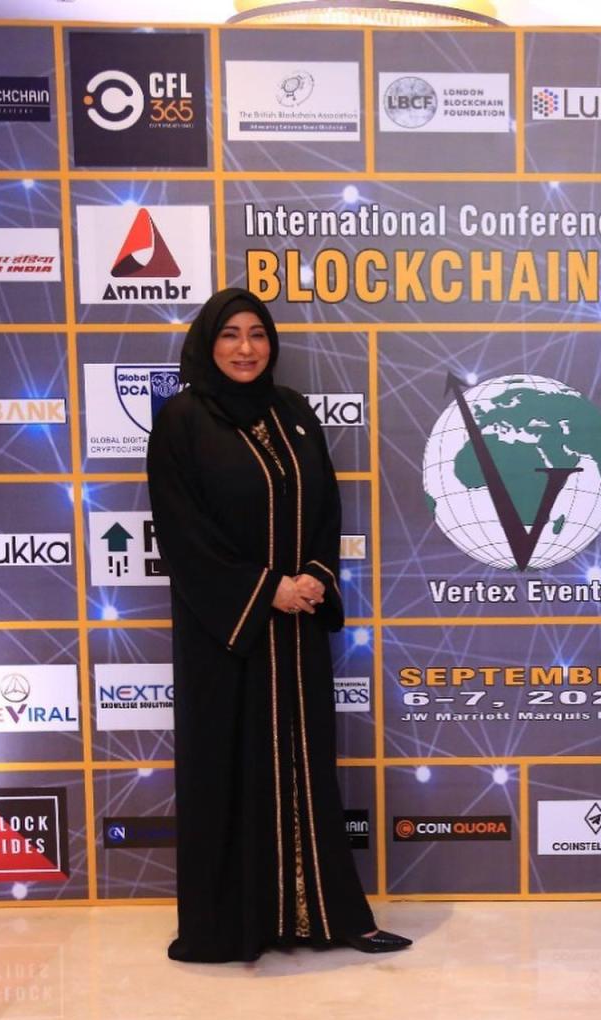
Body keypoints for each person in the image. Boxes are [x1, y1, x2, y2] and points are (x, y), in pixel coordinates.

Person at [147, 287, 410, 962]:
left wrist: (316, 575)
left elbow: (326, 505)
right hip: (226, 637)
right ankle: (233, 927)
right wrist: (268, 589)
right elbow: (183, 534)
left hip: (296, 634)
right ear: (208, 344)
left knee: (305, 769)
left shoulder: (292, 411)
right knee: (230, 771)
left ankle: (327, 914)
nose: (246, 348)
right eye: (230, 334)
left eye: (257, 334)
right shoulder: (182, 420)